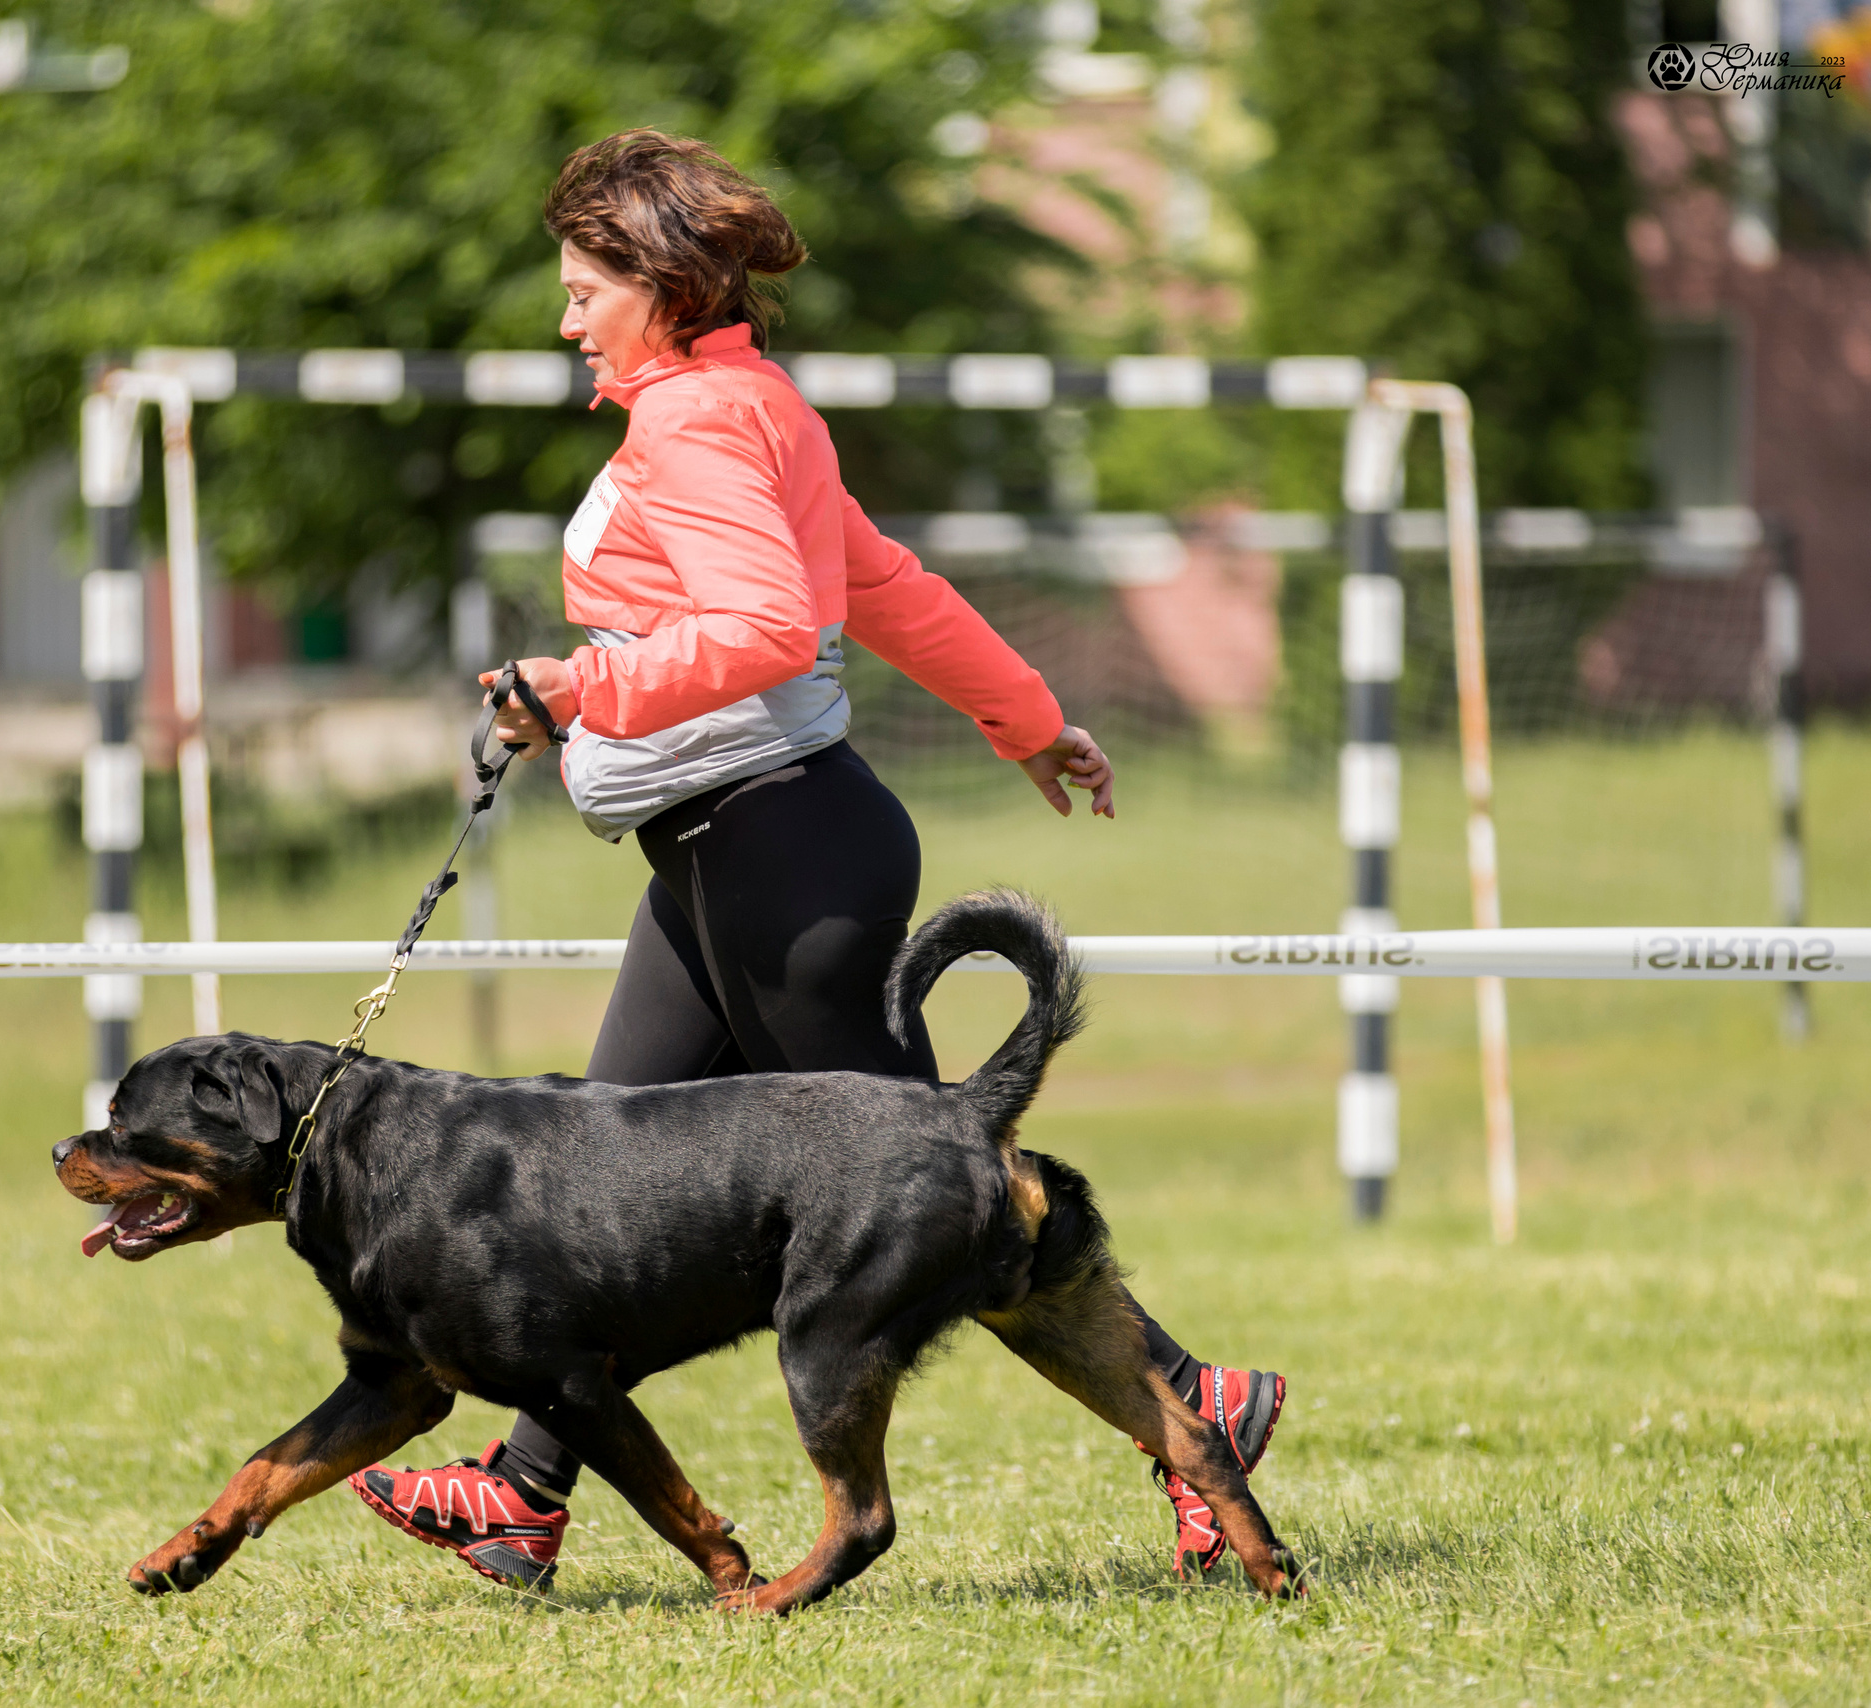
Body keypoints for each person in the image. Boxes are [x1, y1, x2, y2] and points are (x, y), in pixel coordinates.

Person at [346, 130, 1282, 1593]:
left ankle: (1192, 1405)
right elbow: (882, 585)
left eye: (586, 283)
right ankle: (522, 1493)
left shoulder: (702, 424)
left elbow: (776, 628)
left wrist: (576, 688)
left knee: (937, 1200)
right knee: (601, 1173)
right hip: (736, 853)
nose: (565, 312)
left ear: (659, 281)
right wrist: (1027, 721)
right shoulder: (749, 402)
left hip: (785, 859)